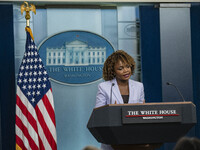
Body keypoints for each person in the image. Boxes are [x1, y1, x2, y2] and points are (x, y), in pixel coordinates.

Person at [95, 50, 145, 150]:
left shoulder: (139, 86)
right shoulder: (104, 87)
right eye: (120, 68)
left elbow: (142, 113)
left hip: (134, 137)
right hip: (113, 139)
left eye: (128, 66)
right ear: (113, 71)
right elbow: (98, 114)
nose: (126, 71)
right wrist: (111, 111)